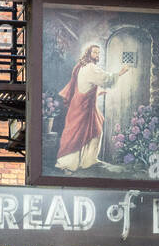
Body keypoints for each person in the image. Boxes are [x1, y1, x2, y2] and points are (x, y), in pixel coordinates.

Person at [55, 43, 131, 172]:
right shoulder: (90, 67)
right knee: (78, 134)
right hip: (82, 108)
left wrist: (98, 93)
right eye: (95, 52)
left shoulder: (82, 67)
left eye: (98, 53)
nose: (97, 55)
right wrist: (120, 73)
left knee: (94, 129)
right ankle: (70, 163)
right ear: (88, 54)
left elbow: (86, 86)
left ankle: (88, 161)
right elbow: (105, 79)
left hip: (83, 105)